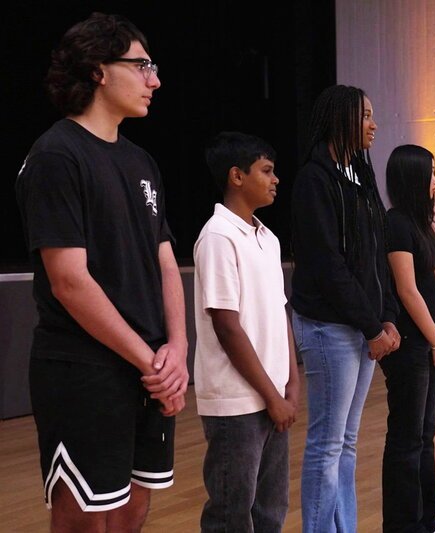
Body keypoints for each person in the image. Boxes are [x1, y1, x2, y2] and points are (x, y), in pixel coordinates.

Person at [15, 12, 188, 531]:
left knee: (134, 512)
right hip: (85, 371)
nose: (154, 80)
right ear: (98, 71)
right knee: (86, 520)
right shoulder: (56, 156)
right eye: (142, 66)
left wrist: (176, 349)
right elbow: (70, 281)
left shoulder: (141, 161)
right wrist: (154, 365)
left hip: (149, 372)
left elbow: (166, 264)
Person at [290, 84, 400, 532]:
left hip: (362, 326)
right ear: (341, 119)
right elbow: (326, 263)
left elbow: (377, 256)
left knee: (346, 443)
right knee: (327, 444)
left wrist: (387, 317)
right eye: (366, 116)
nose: (374, 125)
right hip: (329, 327)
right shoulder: (315, 179)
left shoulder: (361, 175)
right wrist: (372, 325)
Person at [194, 132, 300, 532]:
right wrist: (272, 395)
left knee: (271, 510)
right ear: (236, 176)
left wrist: (291, 379)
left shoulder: (267, 238)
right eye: (266, 171)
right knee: (231, 512)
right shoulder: (218, 236)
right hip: (237, 401)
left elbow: (279, 312)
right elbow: (226, 324)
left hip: (272, 396)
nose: (275, 179)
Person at [380, 144, 435, 533]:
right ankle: (403, 523)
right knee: (408, 436)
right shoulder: (394, 222)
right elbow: (407, 289)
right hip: (409, 345)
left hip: (428, 341)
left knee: (425, 434)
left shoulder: (423, 223)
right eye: (429, 172)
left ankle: (427, 519)